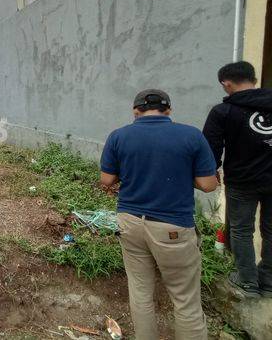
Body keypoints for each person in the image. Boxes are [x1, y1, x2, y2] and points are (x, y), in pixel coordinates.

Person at [100, 89, 218, 340]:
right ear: (169, 111)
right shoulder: (191, 136)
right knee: (185, 300)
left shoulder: (118, 136)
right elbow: (208, 185)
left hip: (130, 223)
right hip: (173, 227)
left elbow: (107, 179)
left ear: (135, 111)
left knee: (141, 293)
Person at [202, 61, 272, 298]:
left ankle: (247, 281)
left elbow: (210, 147)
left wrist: (213, 171)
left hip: (243, 180)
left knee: (241, 230)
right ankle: (269, 281)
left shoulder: (223, 111)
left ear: (226, 84)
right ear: (253, 78)